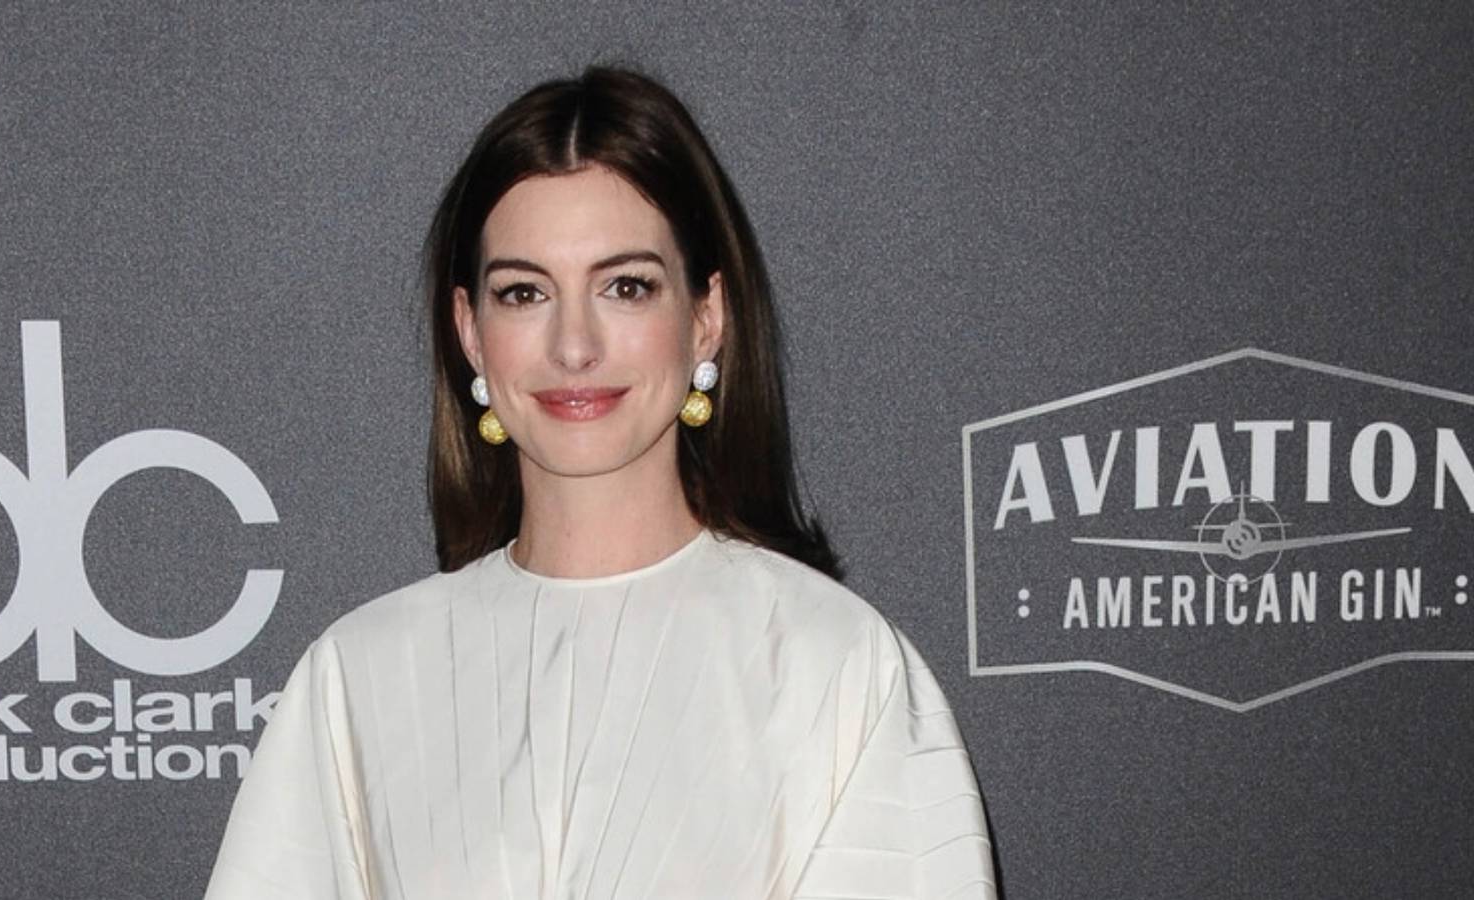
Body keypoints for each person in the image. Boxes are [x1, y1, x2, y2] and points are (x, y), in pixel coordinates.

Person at [205, 66, 996, 900]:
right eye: (524, 292)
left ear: (706, 316)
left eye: (625, 286)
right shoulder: (356, 679)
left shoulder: (835, 666)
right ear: (471, 332)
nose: (573, 345)